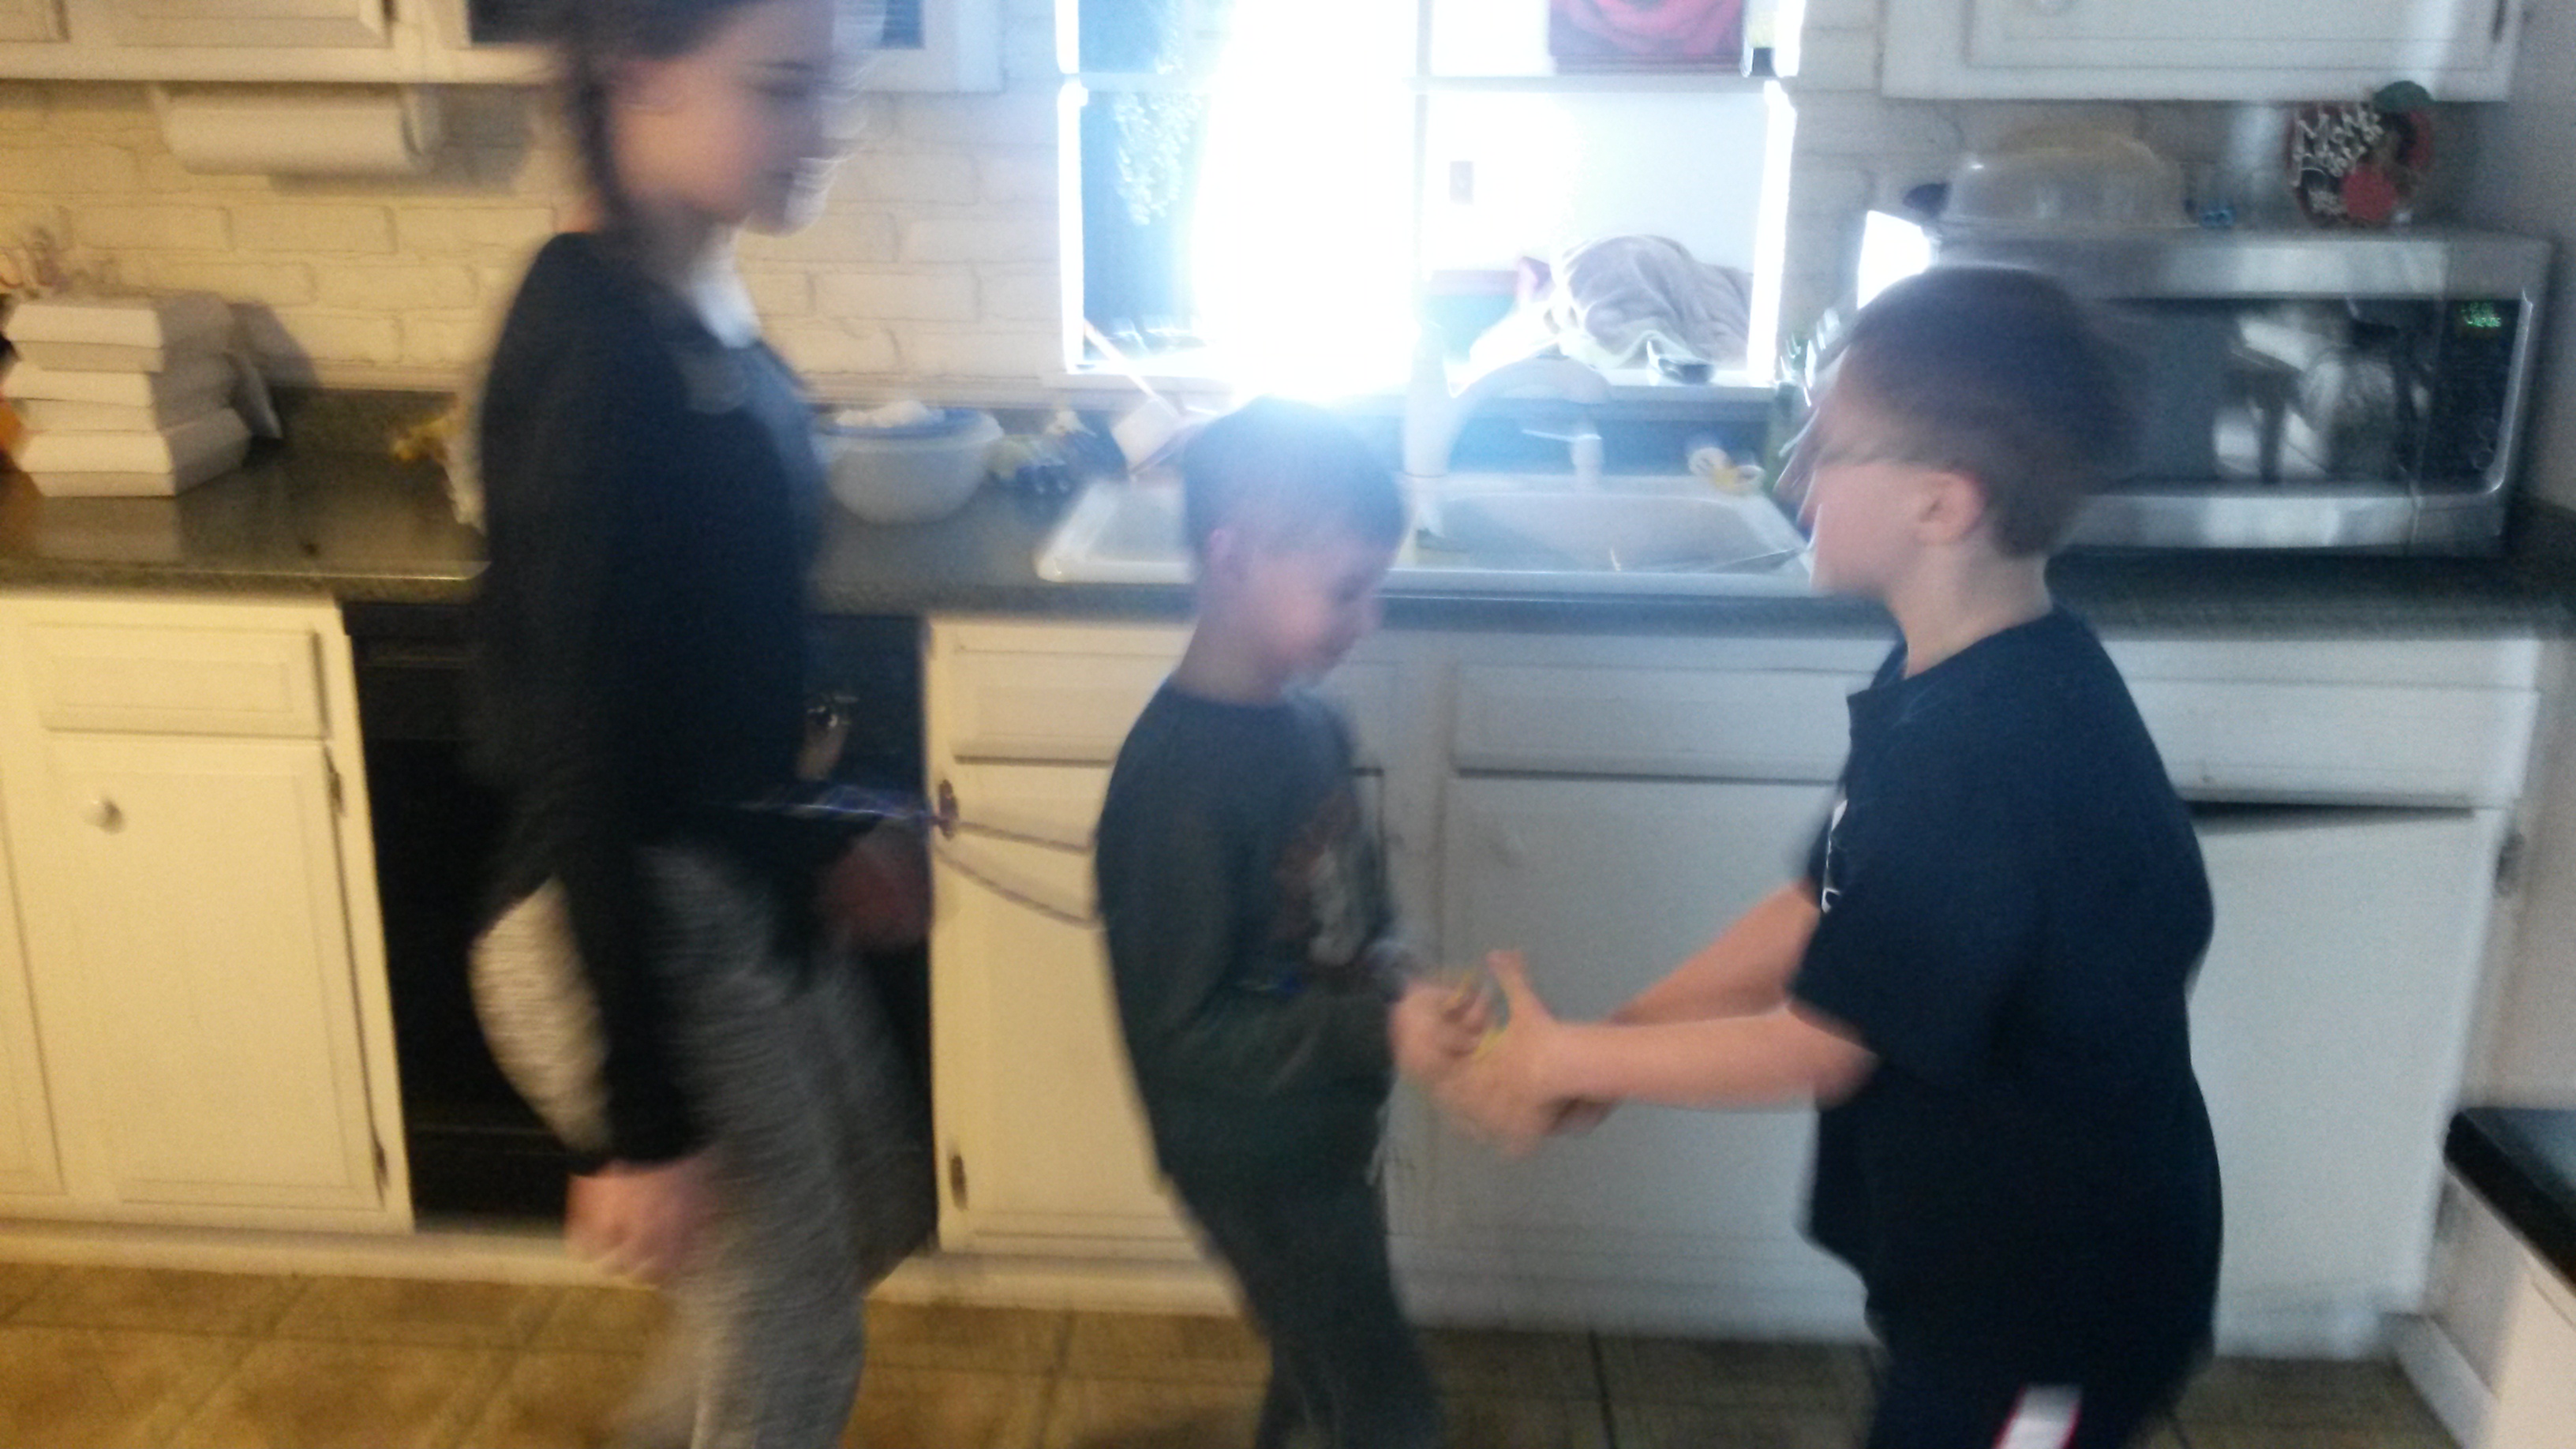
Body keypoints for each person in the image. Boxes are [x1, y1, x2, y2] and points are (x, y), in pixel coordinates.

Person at [1447, 266, 2223, 1449]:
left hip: (2054, 1317)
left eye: (1829, 444)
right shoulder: (1961, 676)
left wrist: (1566, 1055)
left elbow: (1819, 1046)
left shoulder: (1986, 752)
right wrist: (1614, 1045)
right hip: (1990, 1280)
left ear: (1941, 504)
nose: (1793, 472)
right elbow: (1822, 900)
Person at [463, 2, 933, 1445]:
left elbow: (722, 658)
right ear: (636, 75)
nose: (825, 129)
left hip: (729, 882)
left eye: (836, 88)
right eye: (784, 88)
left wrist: (829, 825)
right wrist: (643, 1125)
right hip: (620, 913)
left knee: (870, 1216)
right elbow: (585, 751)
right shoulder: (595, 354)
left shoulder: (695, 289)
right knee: (794, 1342)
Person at [1092, 398, 1477, 1449]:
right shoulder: (1175, 786)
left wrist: (1398, 969)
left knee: (1322, 1360)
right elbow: (1185, 1031)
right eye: (1346, 589)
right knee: (1385, 1402)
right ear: (1232, 560)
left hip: (1321, 1130)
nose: (1369, 617)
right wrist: (1376, 1029)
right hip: (1248, 1158)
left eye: (1374, 588)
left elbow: (1350, 898)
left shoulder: (1310, 722)